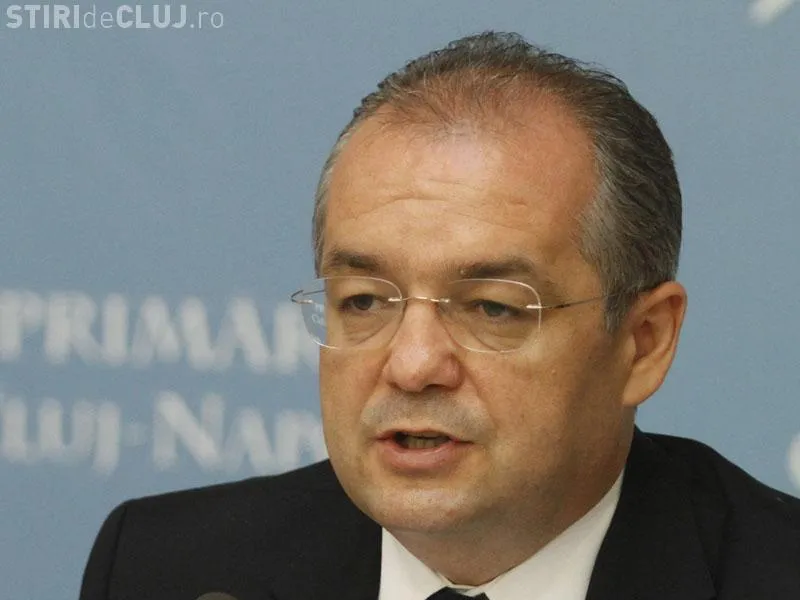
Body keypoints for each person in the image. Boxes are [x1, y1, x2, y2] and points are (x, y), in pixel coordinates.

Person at [80, 32, 800, 600]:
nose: (413, 363)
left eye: (492, 307)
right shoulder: (169, 568)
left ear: (643, 343)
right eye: (364, 301)